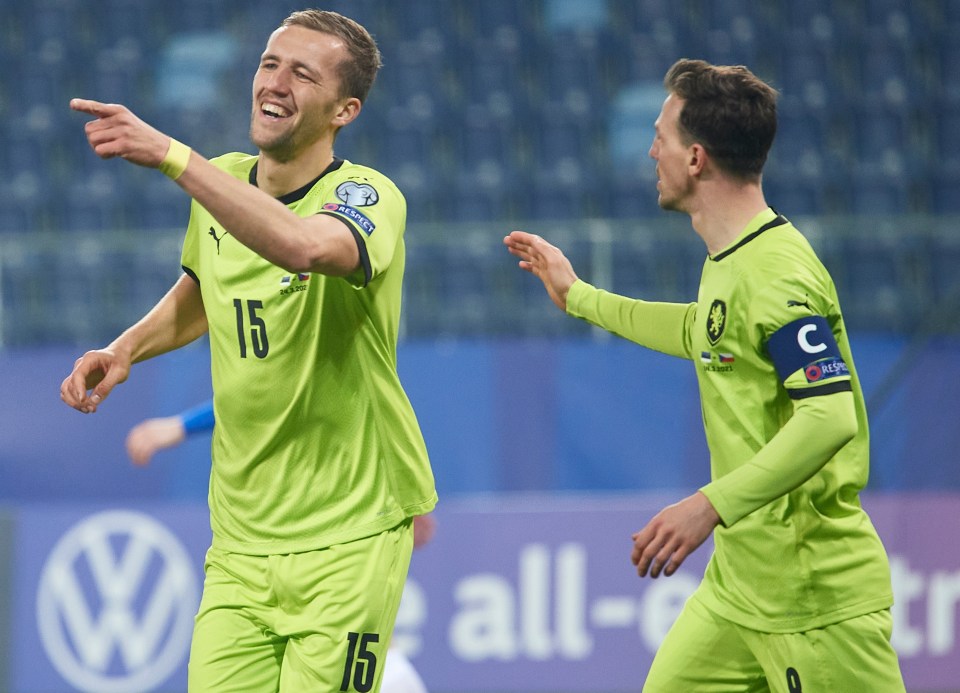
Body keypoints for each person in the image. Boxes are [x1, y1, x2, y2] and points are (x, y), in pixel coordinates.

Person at [60, 9, 437, 692]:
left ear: (344, 109)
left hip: (349, 536)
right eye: (270, 63)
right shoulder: (226, 185)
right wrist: (127, 348)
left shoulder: (369, 196)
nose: (277, 82)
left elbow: (304, 245)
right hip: (240, 541)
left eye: (304, 73)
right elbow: (202, 290)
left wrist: (174, 156)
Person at [504, 58, 905, 692]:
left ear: (695, 159)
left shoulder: (777, 274)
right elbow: (703, 331)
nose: (650, 151)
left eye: (659, 136)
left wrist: (708, 506)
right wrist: (577, 295)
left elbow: (829, 416)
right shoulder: (732, 260)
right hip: (740, 589)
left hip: (811, 597)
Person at [125, 399, 434, 692]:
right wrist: (183, 425)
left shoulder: (349, 376)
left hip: (375, 657)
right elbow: (259, 394)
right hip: (261, 558)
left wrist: (182, 426)